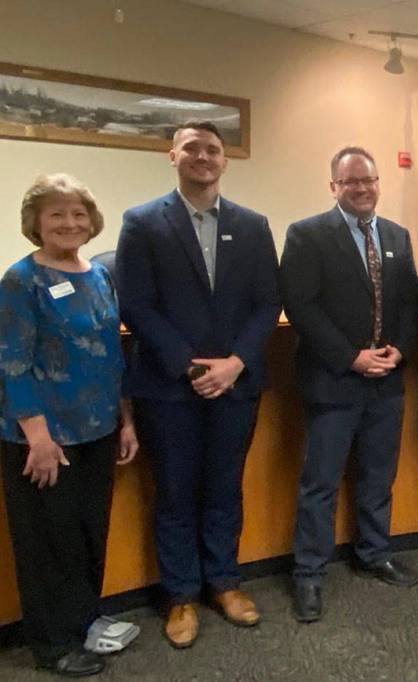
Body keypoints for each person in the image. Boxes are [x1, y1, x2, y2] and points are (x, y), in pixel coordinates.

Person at [115, 121, 281, 647]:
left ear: (224, 161)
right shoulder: (142, 223)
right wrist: (189, 365)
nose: (203, 156)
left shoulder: (252, 225)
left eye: (213, 149)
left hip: (236, 384)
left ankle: (224, 583)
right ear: (173, 156)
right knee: (175, 493)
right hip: (169, 387)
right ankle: (181, 596)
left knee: (224, 489)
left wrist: (235, 363)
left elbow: (267, 302)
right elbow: (136, 304)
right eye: (193, 148)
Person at [0, 174, 139, 676]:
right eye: (56, 213)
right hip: (44, 439)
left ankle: (83, 623)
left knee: (86, 534)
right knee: (46, 543)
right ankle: (52, 643)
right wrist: (36, 437)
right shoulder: (20, 281)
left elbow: (110, 353)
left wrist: (125, 420)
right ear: (35, 222)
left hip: (98, 429)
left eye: (78, 213)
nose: (69, 222)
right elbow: (11, 361)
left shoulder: (98, 275)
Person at [281, 147, 418, 621]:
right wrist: (351, 357)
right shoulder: (307, 235)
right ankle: (310, 574)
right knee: (320, 484)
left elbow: (407, 303)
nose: (361, 188)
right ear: (334, 186)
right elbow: (302, 307)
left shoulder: (398, 236)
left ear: (379, 183)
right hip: (334, 380)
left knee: (378, 476)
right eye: (350, 181)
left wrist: (398, 349)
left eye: (368, 180)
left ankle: (374, 552)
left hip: (387, 380)